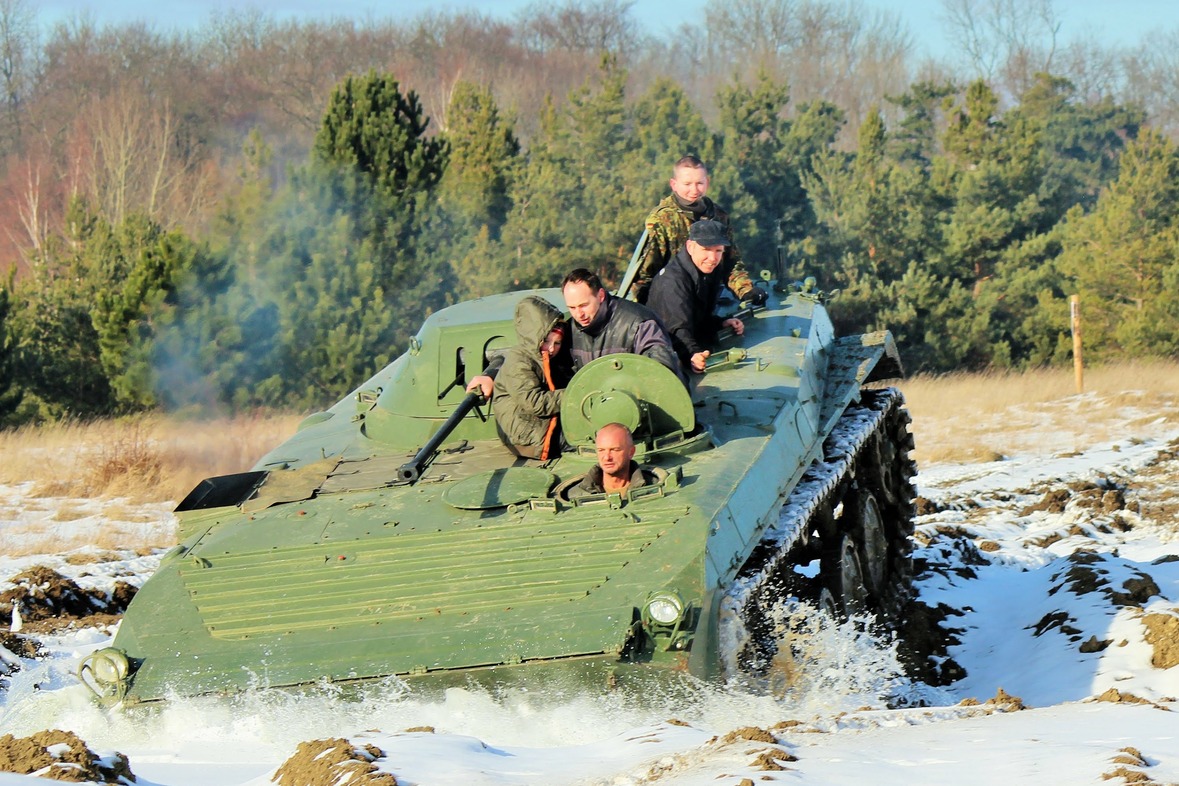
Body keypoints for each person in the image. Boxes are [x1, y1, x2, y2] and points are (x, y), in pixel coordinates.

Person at [633, 154, 768, 307]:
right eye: (687, 184)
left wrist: (745, 290)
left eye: (699, 183)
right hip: (673, 300)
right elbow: (645, 273)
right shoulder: (662, 220)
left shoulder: (718, 216)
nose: (694, 190)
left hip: (707, 299)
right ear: (674, 184)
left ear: (707, 183)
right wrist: (646, 311)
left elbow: (730, 262)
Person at [476, 295, 572, 459]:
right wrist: (575, 395)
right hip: (526, 434)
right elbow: (534, 402)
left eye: (557, 343)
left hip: (538, 423)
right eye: (546, 341)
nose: (551, 348)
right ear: (533, 337)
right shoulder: (518, 361)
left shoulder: (541, 357)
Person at [646, 218, 746, 374]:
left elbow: (696, 317)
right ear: (690, 247)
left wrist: (721, 323)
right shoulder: (673, 281)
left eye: (718, 251)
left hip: (687, 340)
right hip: (664, 354)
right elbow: (676, 328)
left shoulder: (706, 271)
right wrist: (692, 355)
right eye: (706, 249)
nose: (712, 258)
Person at [561, 267, 687, 384]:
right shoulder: (570, 330)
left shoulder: (639, 323)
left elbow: (662, 372)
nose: (579, 314)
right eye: (572, 307)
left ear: (600, 296)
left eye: (584, 305)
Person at [569, 422, 659, 497]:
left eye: (615, 450)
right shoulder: (577, 495)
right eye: (601, 450)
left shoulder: (654, 488)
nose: (607, 457)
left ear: (631, 452)